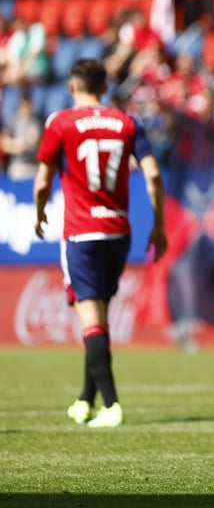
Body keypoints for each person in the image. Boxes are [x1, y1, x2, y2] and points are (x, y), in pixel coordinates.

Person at [32, 59, 168, 428]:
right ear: (105, 87)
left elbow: (43, 181)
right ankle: (85, 400)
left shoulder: (60, 122)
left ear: (73, 87)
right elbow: (153, 175)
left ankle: (111, 405)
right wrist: (158, 225)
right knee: (100, 317)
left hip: (81, 232)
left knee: (91, 321)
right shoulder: (127, 122)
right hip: (119, 234)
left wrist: (39, 212)